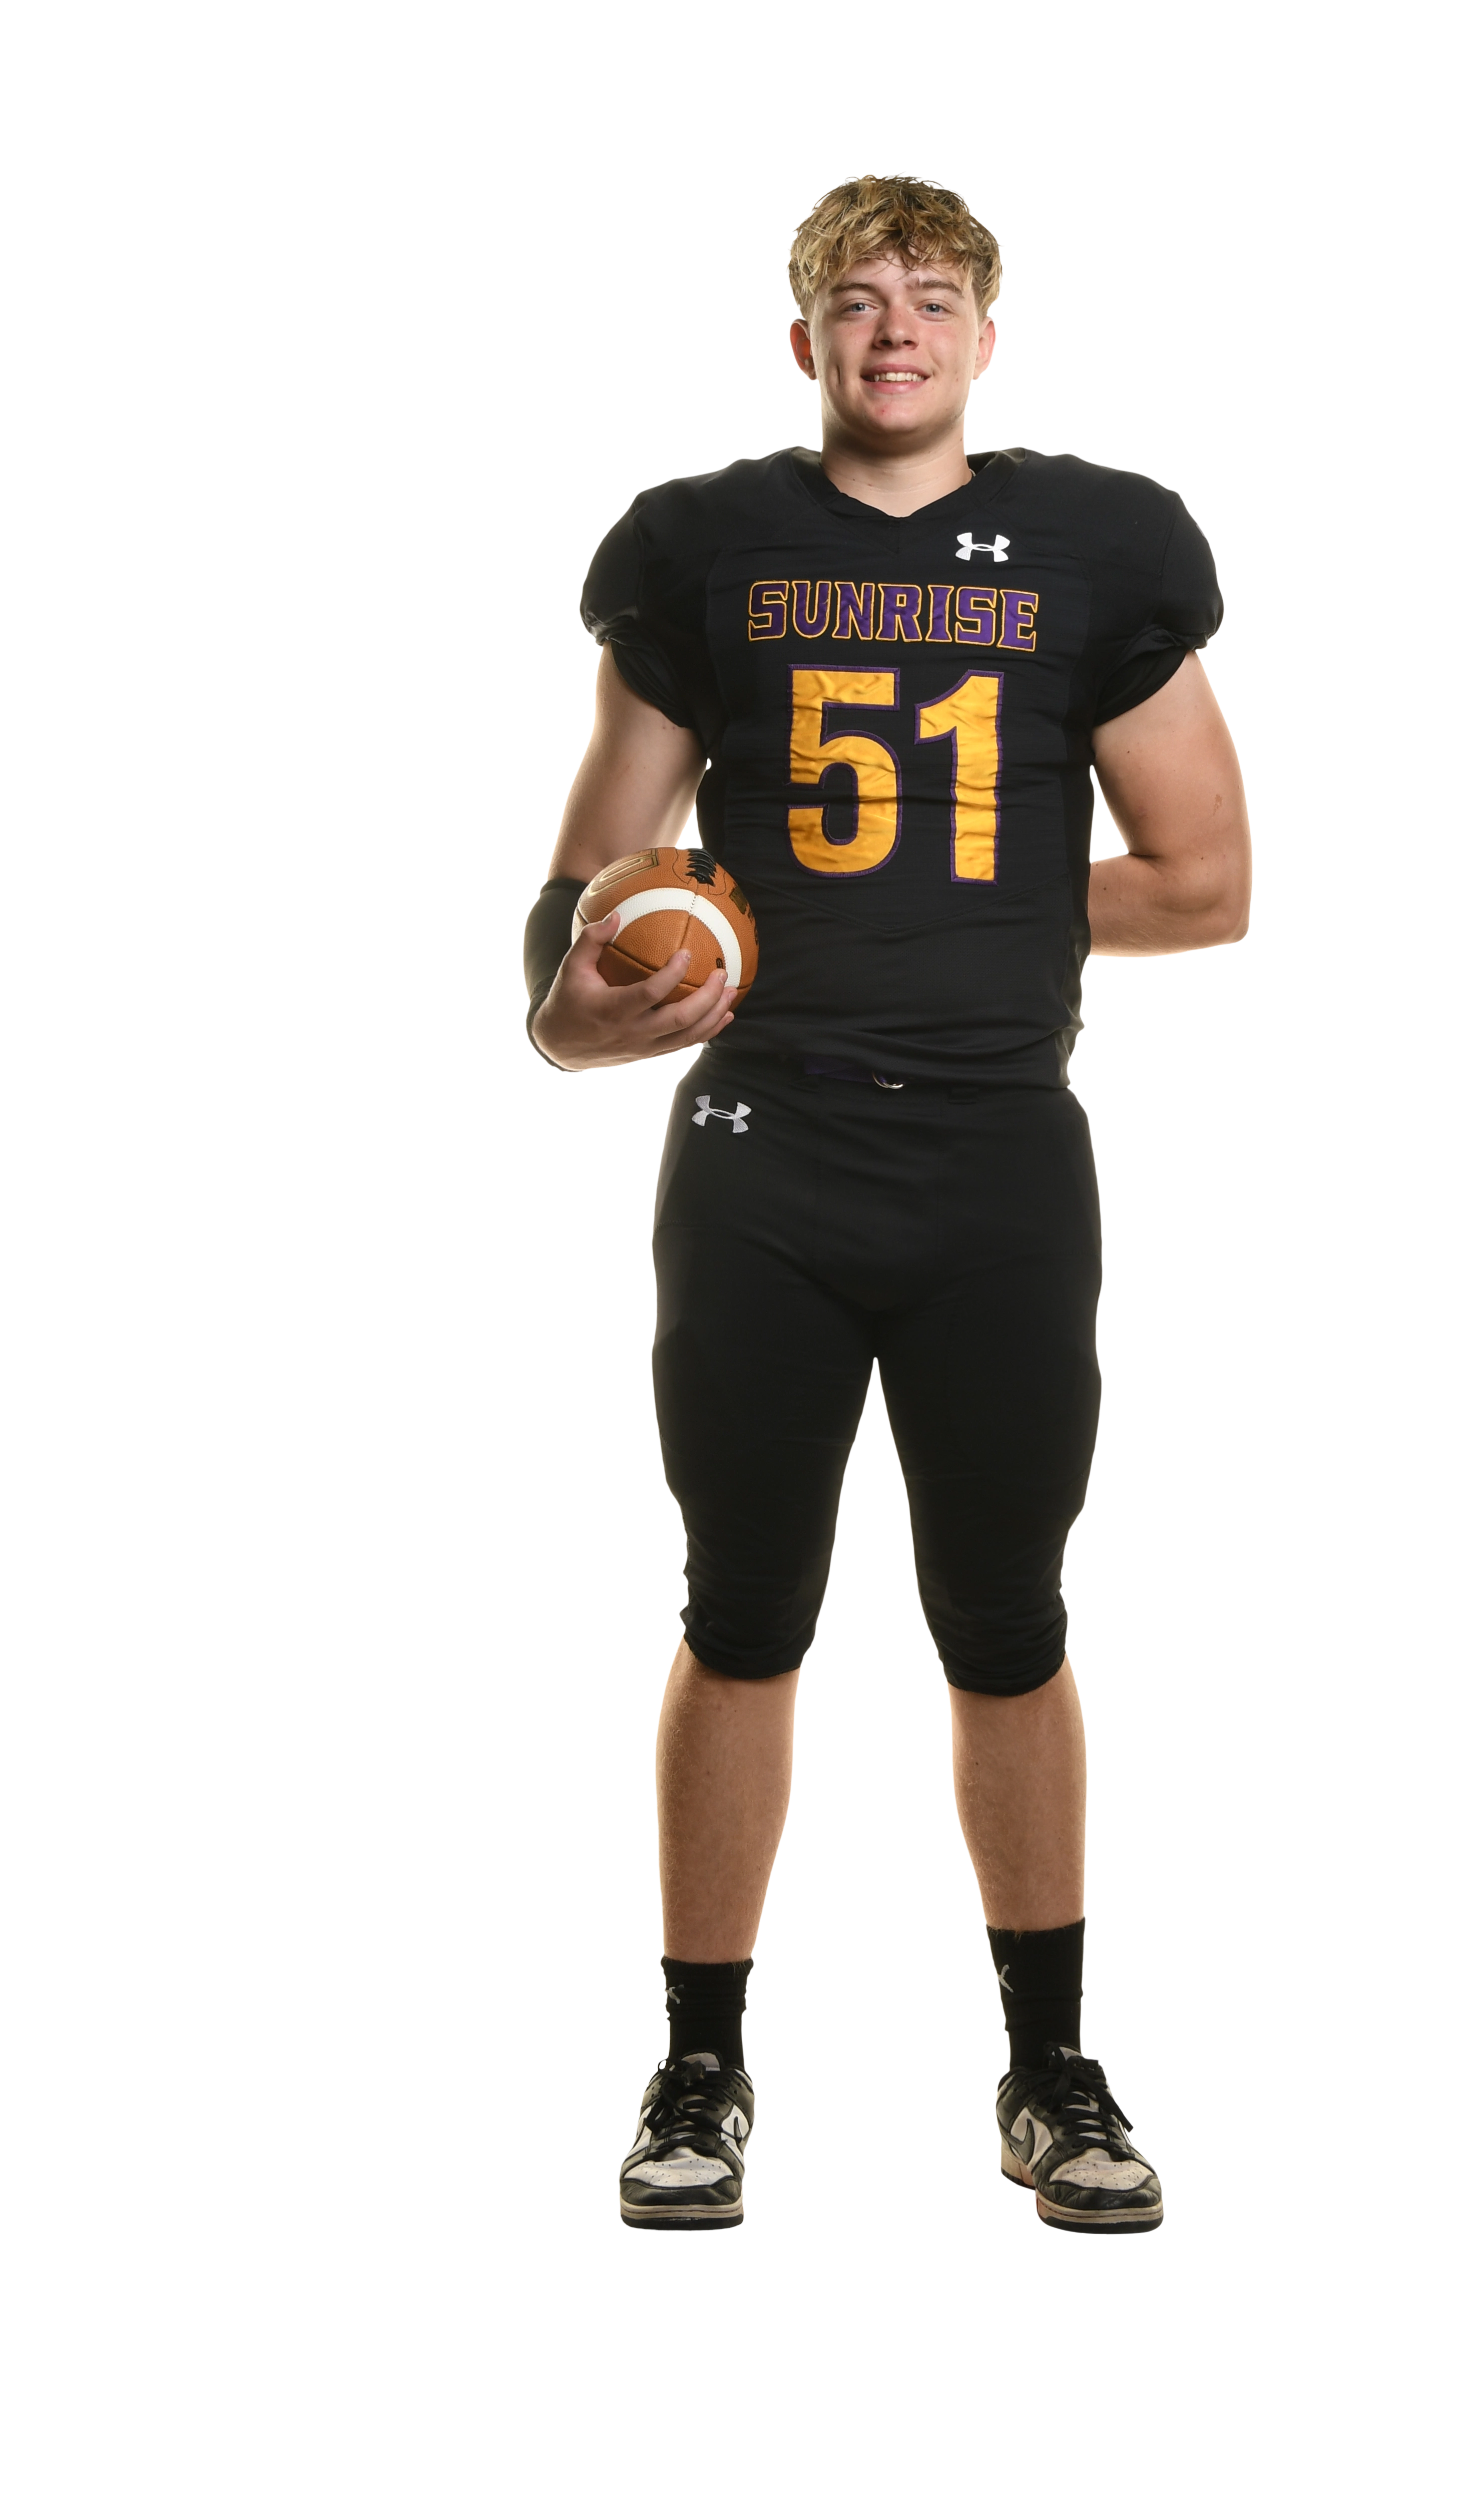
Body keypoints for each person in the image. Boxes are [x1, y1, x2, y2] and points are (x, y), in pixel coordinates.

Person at [522, 170, 1252, 2235]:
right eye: (856, 297)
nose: (897, 325)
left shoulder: (1103, 545)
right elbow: (575, 919)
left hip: (1003, 1157)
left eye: (936, 294)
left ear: (987, 335)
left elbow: (1206, 881)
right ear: (804, 338)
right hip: (765, 1155)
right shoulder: (703, 548)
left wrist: (970, 901)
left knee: (1007, 1624)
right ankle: (698, 2065)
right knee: (741, 1612)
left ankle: (1052, 2069)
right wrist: (585, 1004)